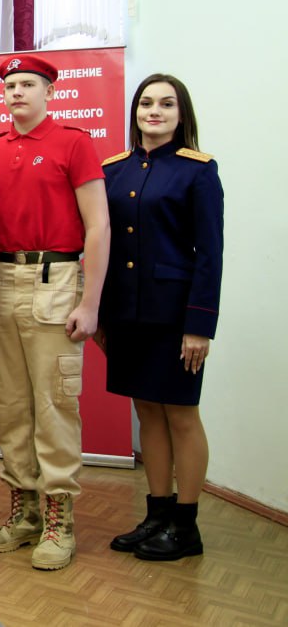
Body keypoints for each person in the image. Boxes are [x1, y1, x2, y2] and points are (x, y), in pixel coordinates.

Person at [0, 54, 109, 571]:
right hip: (2, 283)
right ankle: (24, 511)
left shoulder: (73, 143)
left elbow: (98, 226)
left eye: (28, 84)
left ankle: (59, 520)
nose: (17, 93)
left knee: (54, 405)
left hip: (56, 281)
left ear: (50, 91)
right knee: (12, 406)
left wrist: (90, 301)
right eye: (9, 86)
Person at [99, 73, 222, 561]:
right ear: (135, 111)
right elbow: (105, 245)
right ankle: (157, 514)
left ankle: (186, 526)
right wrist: (103, 315)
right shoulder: (114, 169)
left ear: (180, 113)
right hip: (126, 312)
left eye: (166, 104)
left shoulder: (198, 170)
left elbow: (209, 253)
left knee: (182, 414)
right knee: (146, 409)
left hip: (175, 316)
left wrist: (199, 325)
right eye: (146, 103)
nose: (154, 111)